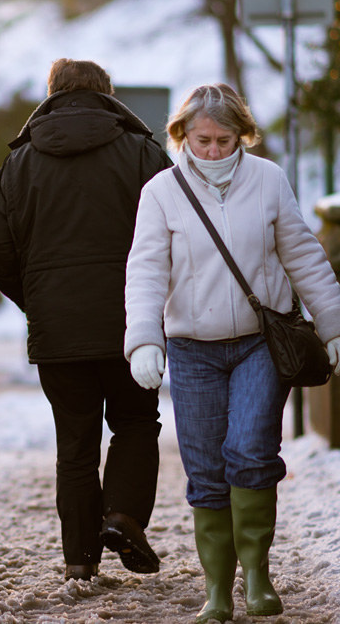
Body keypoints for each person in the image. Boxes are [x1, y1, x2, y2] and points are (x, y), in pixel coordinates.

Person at [124, 83, 340, 622]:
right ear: (182, 136)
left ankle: (257, 579)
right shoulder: (161, 191)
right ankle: (217, 591)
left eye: (225, 140)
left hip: (259, 344)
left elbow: (304, 255)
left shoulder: (268, 179)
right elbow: (146, 271)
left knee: (249, 450)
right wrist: (145, 339)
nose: (214, 151)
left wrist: (333, 325)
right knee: (205, 468)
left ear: (242, 136)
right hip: (192, 349)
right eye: (203, 140)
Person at [0, 58, 172, 581]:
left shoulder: (18, 162)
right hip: (130, 324)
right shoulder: (142, 152)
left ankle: (79, 561)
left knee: (76, 442)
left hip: (57, 328)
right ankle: (123, 517)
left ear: (52, 94)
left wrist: (38, 299)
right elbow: (175, 232)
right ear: (108, 95)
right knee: (135, 421)